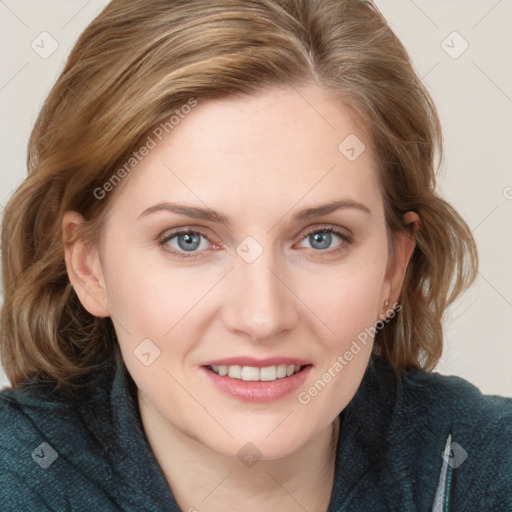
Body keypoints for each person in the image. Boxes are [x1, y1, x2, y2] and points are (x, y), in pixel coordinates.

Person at [1, 0, 510, 510]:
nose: (262, 317)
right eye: (188, 240)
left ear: (394, 268)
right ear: (89, 266)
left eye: (321, 237)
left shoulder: (484, 465)